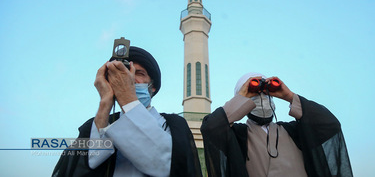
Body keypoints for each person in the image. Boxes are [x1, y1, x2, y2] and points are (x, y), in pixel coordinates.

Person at [52, 46, 202, 177]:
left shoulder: (172, 125)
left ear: (153, 86)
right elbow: (89, 161)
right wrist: (105, 103)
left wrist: (126, 97)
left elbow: (163, 163)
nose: (130, 79)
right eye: (122, 74)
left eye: (139, 73)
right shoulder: (92, 126)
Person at [200, 72, 353, 177]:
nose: (262, 97)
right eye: (254, 93)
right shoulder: (238, 135)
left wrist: (289, 96)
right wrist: (243, 95)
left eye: (265, 93)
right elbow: (211, 128)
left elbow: (329, 125)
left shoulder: (294, 131)